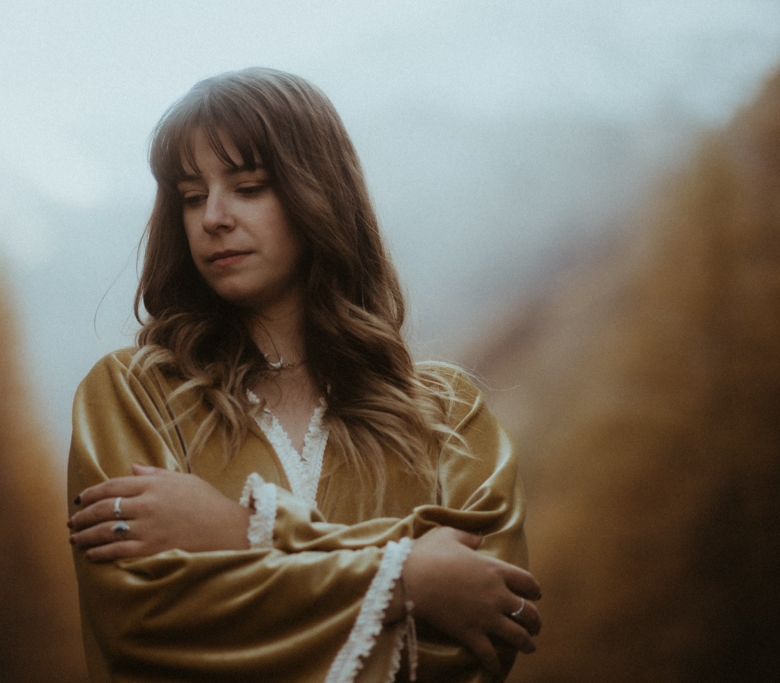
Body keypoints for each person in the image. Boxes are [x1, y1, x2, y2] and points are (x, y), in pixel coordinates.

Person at [66, 67, 541, 683]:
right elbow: (147, 626)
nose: (212, 216)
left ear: (318, 193)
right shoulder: (133, 396)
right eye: (190, 195)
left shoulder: (449, 413)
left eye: (249, 186)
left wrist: (244, 531)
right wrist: (407, 579)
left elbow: (481, 634)